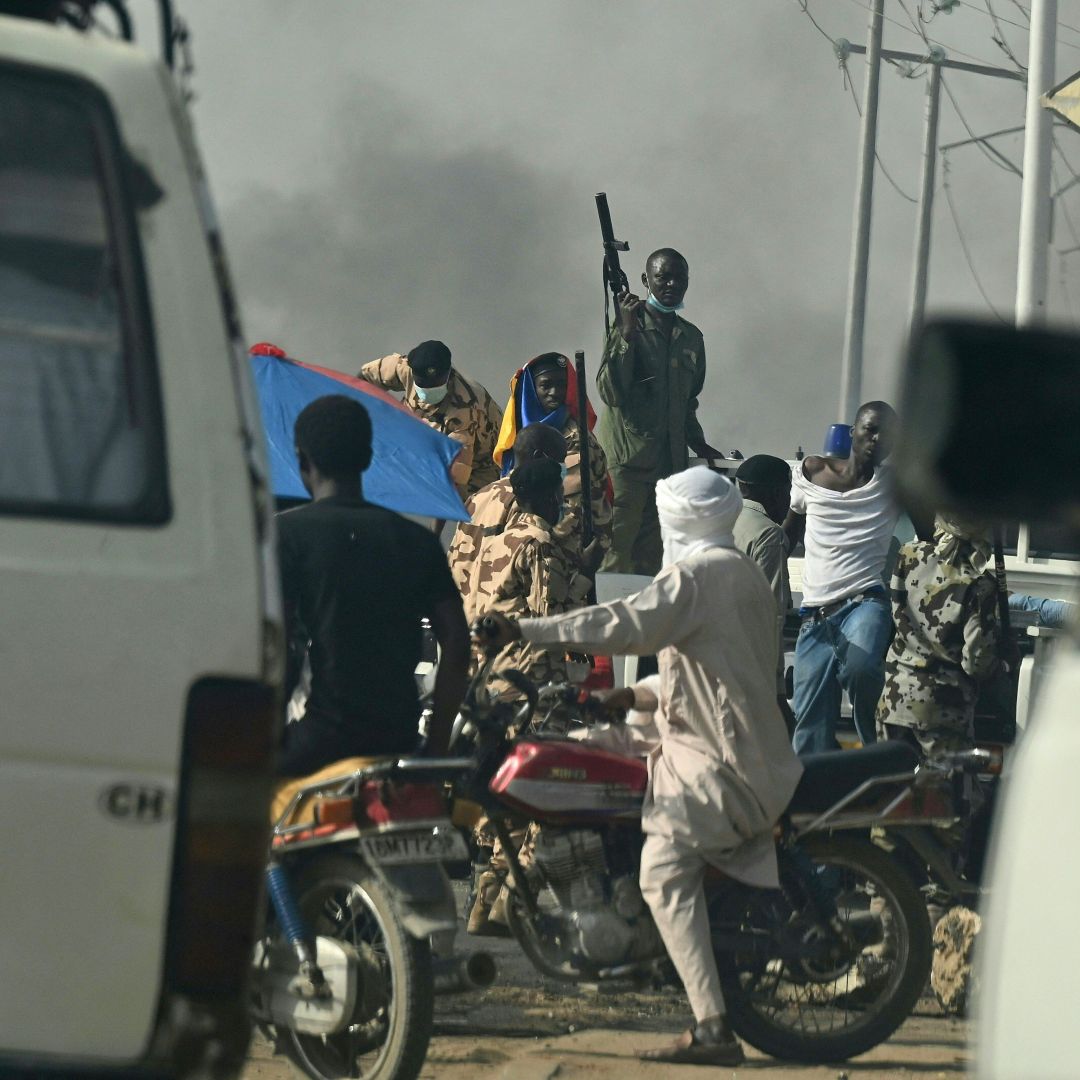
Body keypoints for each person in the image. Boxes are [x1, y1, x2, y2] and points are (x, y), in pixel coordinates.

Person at [479, 467, 803, 1066]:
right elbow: (711, 675)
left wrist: (524, 630)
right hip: (716, 737)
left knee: (662, 873)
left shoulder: (698, 577)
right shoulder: (742, 574)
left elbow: (621, 622)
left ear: (678, 520)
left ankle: (711, 1028)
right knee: (586, 745)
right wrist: (634, 697)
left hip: (720, 760)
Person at [276, 395, 470, 776]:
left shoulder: (285, 535)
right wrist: (436, 746)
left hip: (317, 743)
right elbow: (458, 644)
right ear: (367, 458)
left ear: (302, 461)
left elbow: (277, 647)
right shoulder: (419, 541)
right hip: (398, 741)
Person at [595, 249, 725, 576]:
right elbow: (609, 392)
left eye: (678, 277)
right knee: (615, 552)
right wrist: (626, 334)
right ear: (645, 281)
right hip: (627, 463)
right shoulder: (628, 326)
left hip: (668, 466)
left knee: (653, 557)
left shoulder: (691, 338)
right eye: (662, 277)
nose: (671, 284)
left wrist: (698, 443)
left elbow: (686, 401)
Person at [783, 401, 899, 753]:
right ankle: (811, 797)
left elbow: (928, 539)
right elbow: (787, 535)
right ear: (853, 432)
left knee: (862, 668)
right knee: (809, 723)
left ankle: (878, 752)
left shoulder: (894, 486)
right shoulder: (811, 473)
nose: (876, 439)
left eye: (886, 434)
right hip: (815, 616)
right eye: (870, 429)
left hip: (864, 603)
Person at [877, 515, 1001, 757]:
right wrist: (1002, 663)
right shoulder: (981, 585)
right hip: (943, 711)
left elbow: (897, 605)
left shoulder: (909, 554)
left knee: (890, 790)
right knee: (948, 792)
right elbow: (977, 663)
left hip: (893, 701)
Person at [469, 458, 597, 691]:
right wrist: (585, 575)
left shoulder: (497, 541)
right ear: (552, 498)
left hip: (496, 671)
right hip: (531, 677)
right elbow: (549, 619)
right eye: (561, 494)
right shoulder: (540, 544)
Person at [493, 352, 613, 557]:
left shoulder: (573, 439)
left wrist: (531, 548)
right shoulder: (521, 431)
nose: (554, 392)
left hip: (566, 544)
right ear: (531, 390)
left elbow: (571, 510)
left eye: (561, 385)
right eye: (545, 385)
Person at [357, 340, 503, 499]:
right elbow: (366, 377)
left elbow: (454, 481)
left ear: (448, 374)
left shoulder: (464, 410)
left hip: (480, 466)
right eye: (423, 384)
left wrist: (434, 523)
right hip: (417, 436)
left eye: (436, 384)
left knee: (474, 510)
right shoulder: (403, 368)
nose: (429, 389)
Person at [448, 423, 569, 605]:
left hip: (466, 613)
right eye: (559, 461)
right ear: (538, 457)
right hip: (501, 621)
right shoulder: (530, 502)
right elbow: (536, 581)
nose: (562, 468)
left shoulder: (479, 495)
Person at [732, 453, 795, 733]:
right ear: (775, 492)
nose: (789, 501)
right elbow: (770, 615)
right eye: (787, 491)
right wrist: (777, 691)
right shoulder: (769, 535)